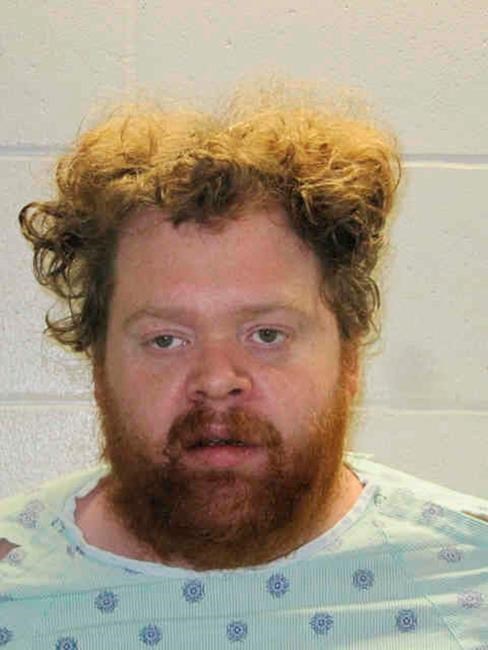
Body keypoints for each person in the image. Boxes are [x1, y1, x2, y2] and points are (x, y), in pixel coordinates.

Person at [0, 82, 486, 649]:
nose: (216, 380)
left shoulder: (468, 581)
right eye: (165, 339)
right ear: (99, 367)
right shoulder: (14, 588)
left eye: (267, 334)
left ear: (349, 358)